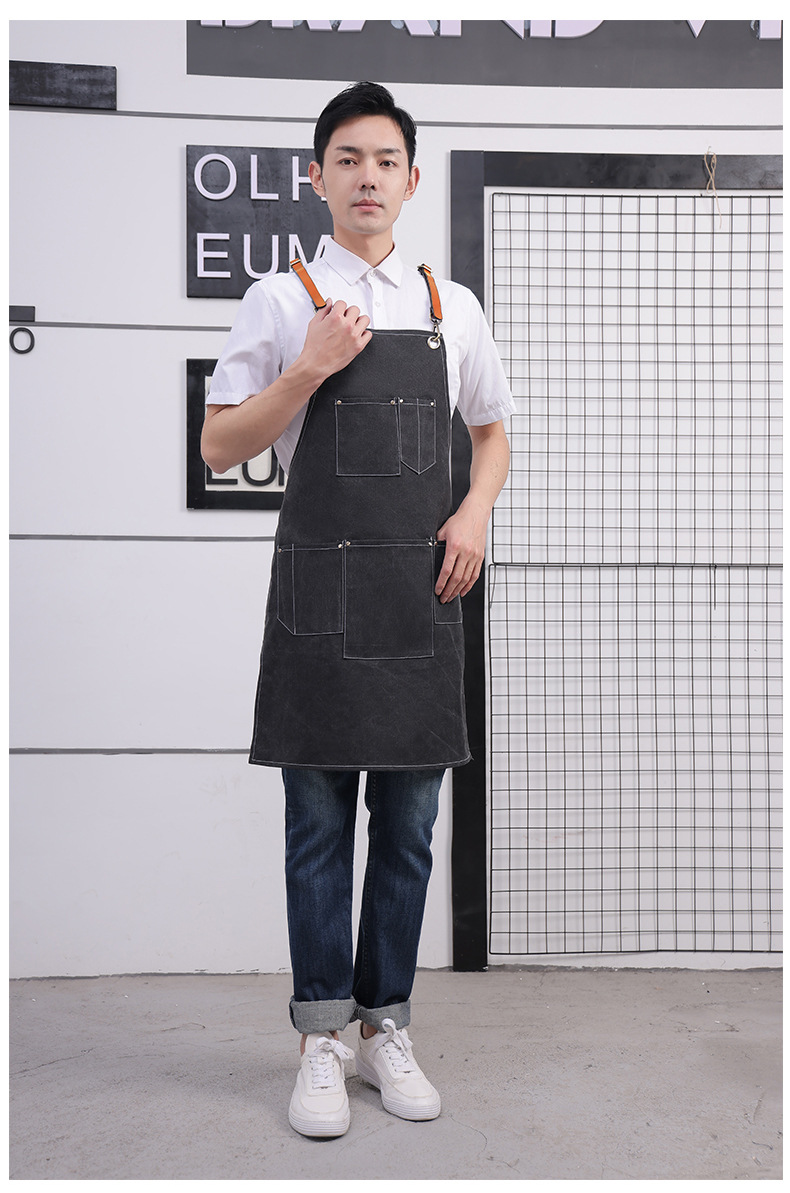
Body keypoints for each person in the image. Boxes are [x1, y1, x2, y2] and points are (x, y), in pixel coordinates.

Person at [201, 81, 514, 1138]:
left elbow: (492, 434)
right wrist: (309, 368)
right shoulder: (278, 297)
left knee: (411, 832)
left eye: (385, 160)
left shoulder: (449, 305)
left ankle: (386, 1024)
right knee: (318, 829)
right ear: (317, 176)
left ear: (410, 180)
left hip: (422, 592)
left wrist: (472, 512)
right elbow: (220, 444)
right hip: (321, 601)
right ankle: (320, 1037)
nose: (367, 176)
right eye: (347, 158)